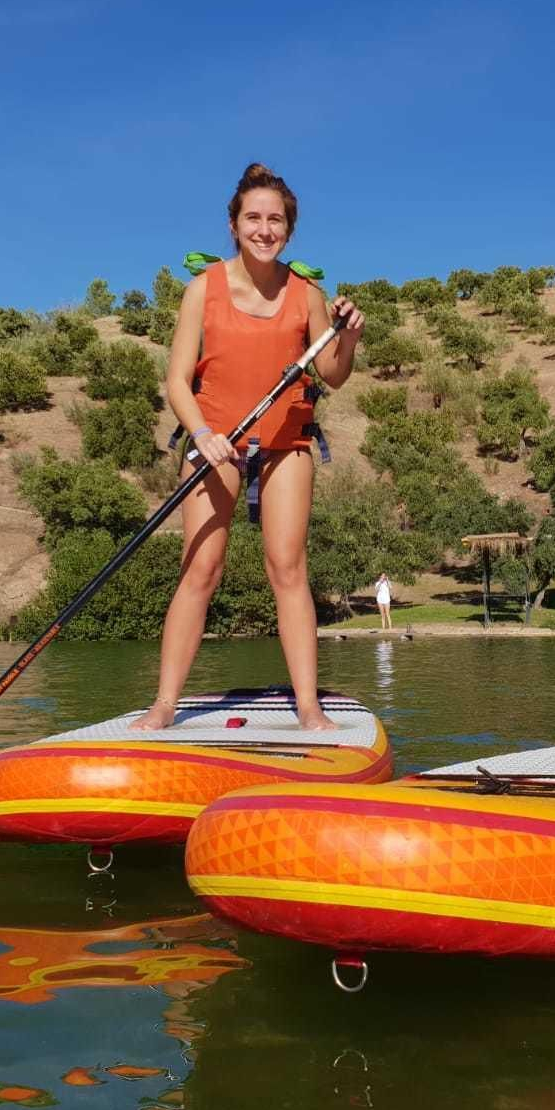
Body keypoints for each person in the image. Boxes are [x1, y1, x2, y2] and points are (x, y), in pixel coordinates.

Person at [131, 163, 364, 731]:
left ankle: (309, 708)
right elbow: (177, 381)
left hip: (286, 444)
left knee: (288, 568)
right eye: (253, 218)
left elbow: (332, 374)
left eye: (276, 220)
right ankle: (165, 704)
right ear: (234, 226)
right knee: (201, 569)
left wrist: (349, 335)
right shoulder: (201, 290)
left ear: (290, 229)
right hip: (214, 441)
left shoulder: (308, 294)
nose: (265, 229)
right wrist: (204, 436)